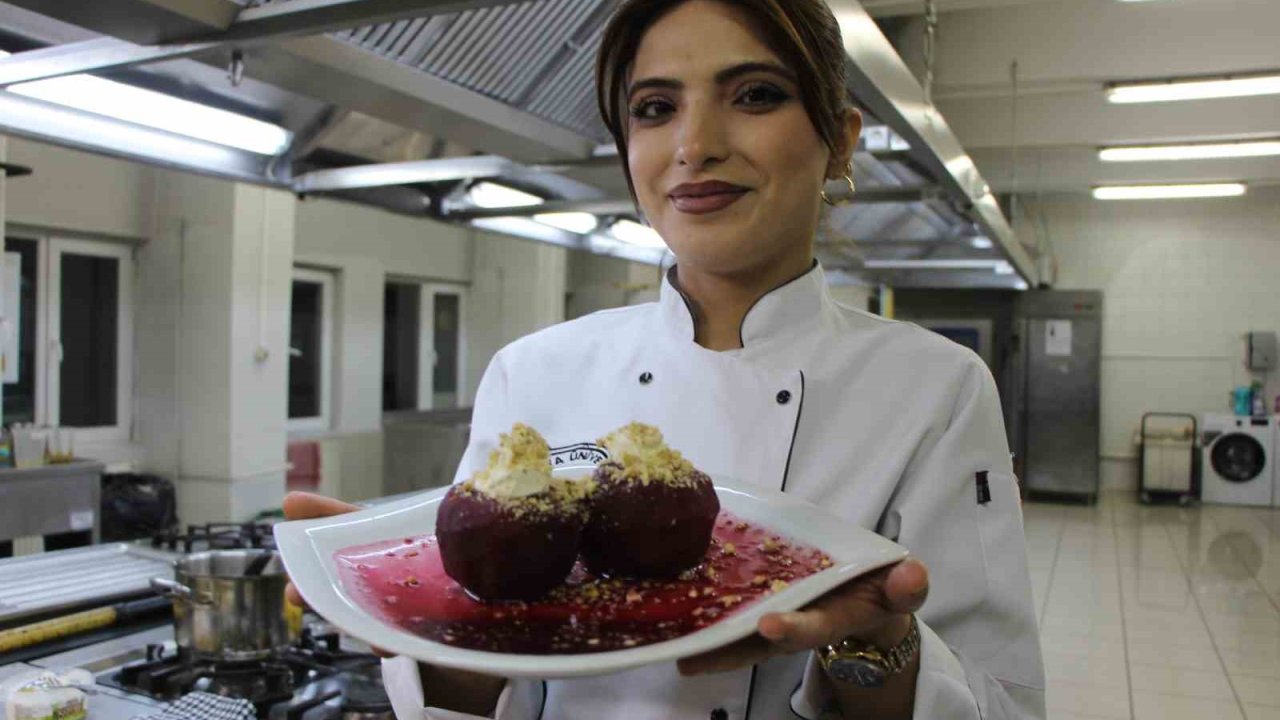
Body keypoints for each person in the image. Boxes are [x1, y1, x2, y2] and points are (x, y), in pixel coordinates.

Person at [285, 0, 1045, 717]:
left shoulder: (934, 388)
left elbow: (999, 701)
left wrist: (875, 638)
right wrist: (427, 612)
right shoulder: (533, 371)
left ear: (840, 140)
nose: (694, 145)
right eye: (654, 108)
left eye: (754, 95)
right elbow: (469, 696)